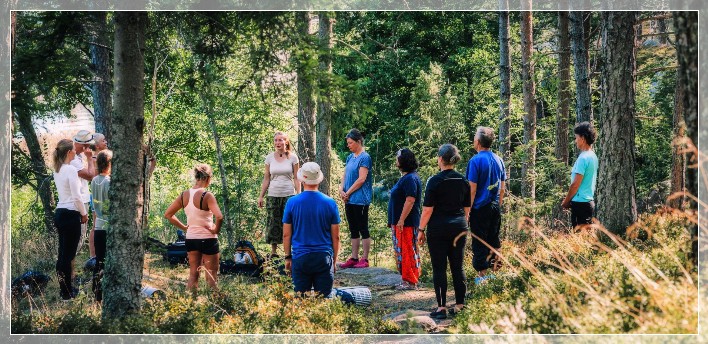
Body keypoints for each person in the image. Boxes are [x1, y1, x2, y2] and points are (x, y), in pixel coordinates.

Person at [417, 144, 471, 319]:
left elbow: (427, 210)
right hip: (459, 226)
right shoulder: (463, 181)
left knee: (439, 268)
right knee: (458, 266)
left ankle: (441, 309)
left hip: (438, 228)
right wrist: (463, 225)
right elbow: (467, 210)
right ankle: (460, 305)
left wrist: (420, 229)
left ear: (440, 159)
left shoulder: (435, 181)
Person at [283, 162, 341, 297]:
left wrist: (287, 257)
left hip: (300, 257)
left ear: (302, 180)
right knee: (324, 299)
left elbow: (286, 234)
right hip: (323, 257)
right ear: (318, 179)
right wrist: (334, 260)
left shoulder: (292, 202)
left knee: (301, 301)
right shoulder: (330, 203)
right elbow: (336, 237)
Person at [164, 164, 224, 292]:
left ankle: (190, 304)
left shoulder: (184, 195)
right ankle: (214, 306)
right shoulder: (207, 195)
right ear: (208, 178)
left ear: (196, 177)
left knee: (193, 274)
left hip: (191, 239)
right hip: (208, 239)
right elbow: (219, 217)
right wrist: (215, 230)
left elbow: (168, 215)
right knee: (211, 277)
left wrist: (185, 228)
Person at [466, 127, 506, 285]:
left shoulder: (475, 161)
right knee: (494, 239)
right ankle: (497, 276)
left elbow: (472, 189)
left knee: (479, 241)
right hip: (495, 206)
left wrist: (467, 212)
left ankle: (482, 278)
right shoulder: (499, 159)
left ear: (478, 142)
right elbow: (503, 187)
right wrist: (498, 204)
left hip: (479, 208)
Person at [52, 139, 89, 300]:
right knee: (68, 256)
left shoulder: (58, 169)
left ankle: (63, 289)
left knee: (62, 255)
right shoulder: (71, 170)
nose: (76, 152)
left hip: (60, 213)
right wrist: (84, 213)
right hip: (70, 214)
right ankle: (67, 293)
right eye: (74, 150)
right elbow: (77, 196)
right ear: (68, 152)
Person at [258, 131, 300, 258]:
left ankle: (290, 252)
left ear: (286, 141)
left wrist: (299, 194)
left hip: (289, 194)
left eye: (280, 140)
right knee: (273, 222)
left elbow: (296, 178)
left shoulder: (293, 158)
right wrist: (261, 196)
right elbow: (266, 178)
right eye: (276, 140)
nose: (278, 143)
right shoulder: (269, 158)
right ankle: (274, 252)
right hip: (273, 194)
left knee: (290, 222)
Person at [387, 148, 423, 290]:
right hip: (401, 223)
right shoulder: (407, 177)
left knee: (407, 250)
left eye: (398, 157)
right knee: (403, 250)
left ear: (404, 160)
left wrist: (401, 219)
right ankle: (407, 279)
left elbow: (410, 200)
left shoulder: (410, 179)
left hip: (406, 223)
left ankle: (410, 281)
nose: (396, 160)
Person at [339, 129, 373, 269]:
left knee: (362, 228)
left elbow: (361, 179)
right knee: (353, 228)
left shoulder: (365, 157)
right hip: (349, 199)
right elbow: (345, 175)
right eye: (348, 143)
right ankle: (354, 257)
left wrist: (348, 192)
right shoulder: (350, 157)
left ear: (359, 142)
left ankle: (364, 259)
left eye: (351, 142)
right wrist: (341, 190)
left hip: (360, 199)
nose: (349, 145)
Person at [561, 121, 598, 229]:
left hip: (580, 204)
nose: (575, 140)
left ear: (582, 138)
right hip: (588, 202)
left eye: (576, 137)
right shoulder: (593, 156)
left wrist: (566, 202)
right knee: (585, 238)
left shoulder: (583, 158)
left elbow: (575, 185)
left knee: (579, 238)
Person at [90, 150, 112, 302]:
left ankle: (97, 292)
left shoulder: (94, 180)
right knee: (108, 261)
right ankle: (104, 291)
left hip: (98, 226)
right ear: (109, 164)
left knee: (99, 260)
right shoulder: (108, 182)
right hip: (107, 225)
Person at [71, 130, 96, 255]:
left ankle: (71, 271)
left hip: (82, 198)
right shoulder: (73, 159)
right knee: (78, 237)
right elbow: (90, 176)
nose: (89, 147)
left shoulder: (78, 155)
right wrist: (90, 159)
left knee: (80, 237)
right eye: (87, 145)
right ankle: (70, 272)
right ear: (82, 144)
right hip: (79, 200)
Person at [88, 132, 108, 259]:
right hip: (97, 195)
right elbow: (96, 179)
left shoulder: (100, 157)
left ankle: (98, 253)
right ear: (97, 145)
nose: (105, 142)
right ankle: (93, 255)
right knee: (96, 224)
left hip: (101, 195)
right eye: (103, 141)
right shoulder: (96, 160)